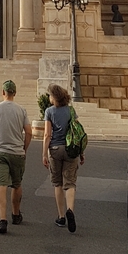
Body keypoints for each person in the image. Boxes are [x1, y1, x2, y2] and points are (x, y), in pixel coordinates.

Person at [0, 79, 32, 234]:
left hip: (0, 152)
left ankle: (2, 219)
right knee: (17, 184)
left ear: (3, 92)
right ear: (15, 93)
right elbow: (29, 132)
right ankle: (15, 214)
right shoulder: (22, 110)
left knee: (1, 184)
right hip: (17, 152)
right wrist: (24, 148)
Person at [42, 83, 84, 233]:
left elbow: (47, 135)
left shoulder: (49, 111)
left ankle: (61, 217)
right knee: (70, 183)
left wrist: (44, 154)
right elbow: (77, 132)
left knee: (57, 183)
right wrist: (81, 152)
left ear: (54, 97)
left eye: (50, 95)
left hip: (55, 149)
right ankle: (70, 210)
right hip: (70, 150)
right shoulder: (71, 111)